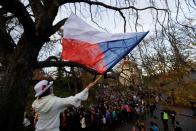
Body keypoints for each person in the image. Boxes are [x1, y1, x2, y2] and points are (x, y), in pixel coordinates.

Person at [32, 76, 102, 131]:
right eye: (50, 87)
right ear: (48, 90)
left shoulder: (36, 103)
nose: (52, 88)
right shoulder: (55, 101)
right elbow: (73, 99)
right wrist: (87, 88)